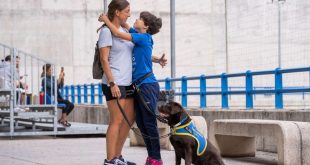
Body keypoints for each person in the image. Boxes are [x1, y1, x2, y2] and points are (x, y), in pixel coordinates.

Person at [99, 10, 164, 165]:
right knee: (141, 123)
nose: (135, 18)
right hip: (139, 86)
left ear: (146, 26)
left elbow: (118, 33)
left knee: (149, 123)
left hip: (147, 86)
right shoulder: (138, 33)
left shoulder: (143, 37)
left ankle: (156, 159)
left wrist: (104, 20)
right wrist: (113, 16)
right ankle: (151, 157)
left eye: (140, 19)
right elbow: (124, 24)